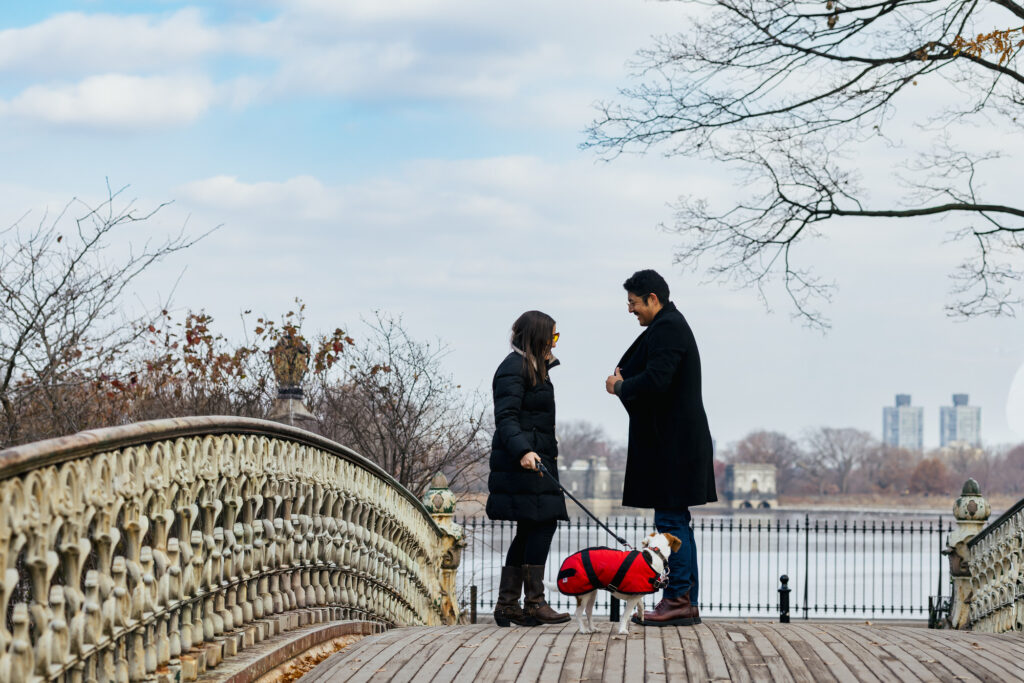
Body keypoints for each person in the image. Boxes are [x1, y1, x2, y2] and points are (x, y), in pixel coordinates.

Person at [605, 269, 716, 626]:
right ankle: (687, 601)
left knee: (670, 523)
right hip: (675, 442)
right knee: (677, 521)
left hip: (673, 445)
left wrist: (620, 387)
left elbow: (657, 380)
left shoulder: (668, 327)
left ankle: (677, 600)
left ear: (653, 298)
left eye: (634, 303)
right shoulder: (669, 325)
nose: (630, 310)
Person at [486, 310, 571, 627]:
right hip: (524, 462)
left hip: (538, 460)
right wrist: (523, 451)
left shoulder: (534, 367)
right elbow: (506, 418)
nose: (554, 342)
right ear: (537, 337)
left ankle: (509, 604)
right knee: (542, 524)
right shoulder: (513, 369)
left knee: (531, 528)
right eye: (552, 337)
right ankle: (533, 602)